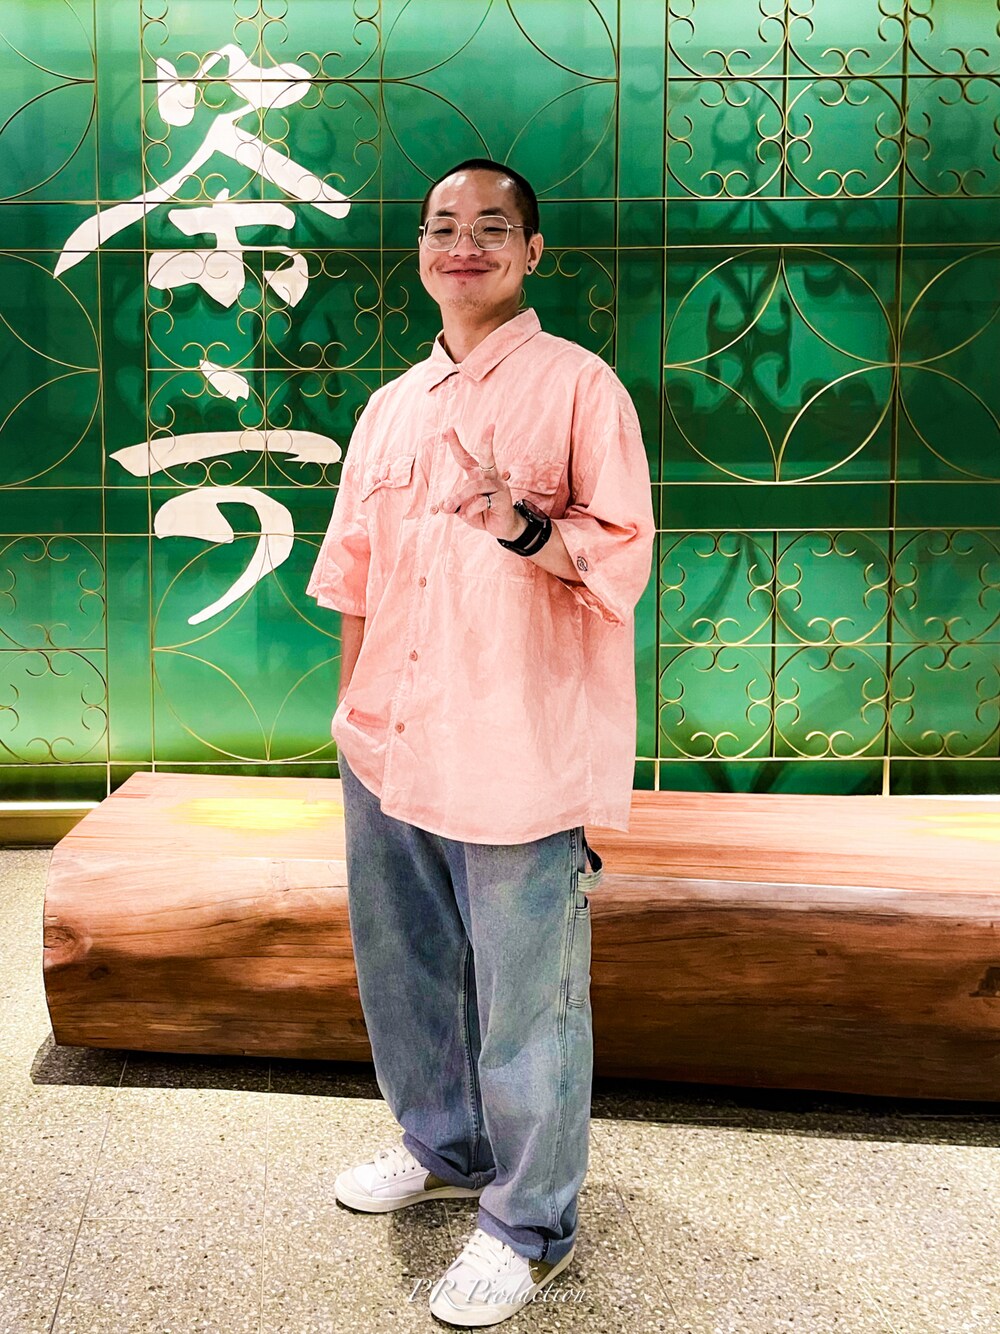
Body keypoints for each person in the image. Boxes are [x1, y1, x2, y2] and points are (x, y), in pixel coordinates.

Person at [306, 157, 655, 1327]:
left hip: (516, 742)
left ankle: (528, 1221)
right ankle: (442, 1145)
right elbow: (354, 571)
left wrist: (519, 522)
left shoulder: (578, 387)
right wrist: (350, 715)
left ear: (532, 251)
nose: (464, 244)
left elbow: (620, 559)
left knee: (526, 999)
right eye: (443, 225)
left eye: (492, 226)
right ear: (420, 248)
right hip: (389, 737)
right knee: (403, 966)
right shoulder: (390, 404)